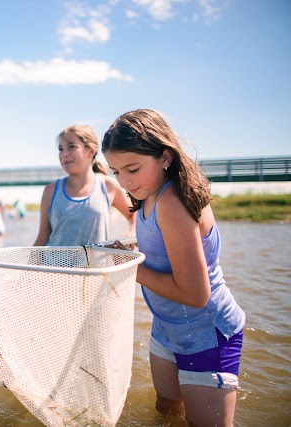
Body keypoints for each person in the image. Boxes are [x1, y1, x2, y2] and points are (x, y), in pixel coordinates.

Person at [102, 109, 245, 426]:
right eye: (115, 172)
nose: (124, 181)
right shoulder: (149, 194)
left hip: (207, 333)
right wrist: (132, 249)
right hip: (167, 329)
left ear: (165, 157)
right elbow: (164, 247)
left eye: (133, 169)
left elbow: (196, 294)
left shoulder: (172, 201)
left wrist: (131, 268)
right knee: (166, 412)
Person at [33, 125, 135, 246]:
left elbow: (133, 213)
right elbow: (42, 237)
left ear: (91, 151)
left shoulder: (108, 186)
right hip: (53, 264)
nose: (64, 154)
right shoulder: (50, 191)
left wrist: (132, 233)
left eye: (71, 146)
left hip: (95, 265)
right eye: (61, 149)